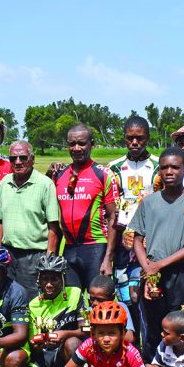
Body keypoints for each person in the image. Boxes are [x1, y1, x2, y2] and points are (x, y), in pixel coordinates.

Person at [131, 147, 184, 362]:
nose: (169, 171)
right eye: (164, 167)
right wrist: (149, 269)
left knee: (183, 325)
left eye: (175, 167)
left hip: (181, 274)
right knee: (152, 327)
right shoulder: (148, 202)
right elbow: (137, 241)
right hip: (152, 275)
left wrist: (160, 265)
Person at [12, 254, 85, 367]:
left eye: (55, 279)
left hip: (66, 356)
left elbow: (86, 330)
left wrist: (65, 334)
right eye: (45, 279)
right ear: (38, 279)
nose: (49, 284)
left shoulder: (75, 294)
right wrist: (36, 345)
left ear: (63, 278)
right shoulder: (33, 305)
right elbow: (32, 344)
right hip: (44, 357)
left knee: (72, 343)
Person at [52, 124, 119, 290]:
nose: (76, 148)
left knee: (98, 302)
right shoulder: (59, 175)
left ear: (92, 144)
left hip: (96, 247)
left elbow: (113, 218)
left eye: (82, 143)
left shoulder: (103, 174)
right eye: (72, 144)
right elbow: (55, 218)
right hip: (69, 249)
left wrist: (108, 258)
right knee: (71, 305)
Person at [0, 140, 61, 301]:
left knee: (31, 299)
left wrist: (48, 259)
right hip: (8, 254)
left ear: (32, 159)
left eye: (23, 157)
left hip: (34, 255)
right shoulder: (5, 182)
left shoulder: (45, 185)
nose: (18, 162)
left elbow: (53, 227)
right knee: (6, 297)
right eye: (13, 158)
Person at [108, 116, 159, 325]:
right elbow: (108, 208)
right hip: (122, 242)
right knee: (125, 298)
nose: (135, 143)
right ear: (124, 138)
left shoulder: (158, 166)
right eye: (130, 138)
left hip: (149, 242)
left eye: (140, 138)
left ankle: (148, 345)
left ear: (147, 138)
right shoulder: (114, 168)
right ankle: (132, 343)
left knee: (145, 295)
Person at [86, 274, 137, 345]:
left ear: (112, 298)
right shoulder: (87, 311)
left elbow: (129, 338)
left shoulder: (120, 307)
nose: (94, 303)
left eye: (100, 300)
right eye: (91, 299)